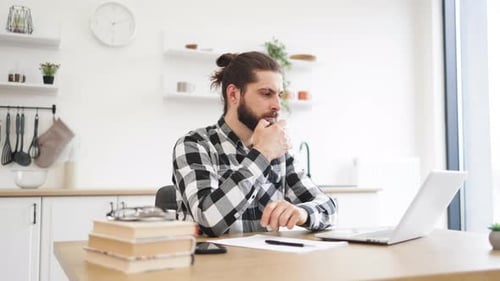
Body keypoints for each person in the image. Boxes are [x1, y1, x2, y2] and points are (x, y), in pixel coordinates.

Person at [172, 51, 336, 236]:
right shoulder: (195, 145)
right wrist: (262, 154)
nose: (277, 105)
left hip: (264, 262)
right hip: (210, 263)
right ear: (234, 95)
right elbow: (209, 219)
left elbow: (328, 207)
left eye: (279, 95)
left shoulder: (279, 152)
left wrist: (303, 213)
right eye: (266, 94)